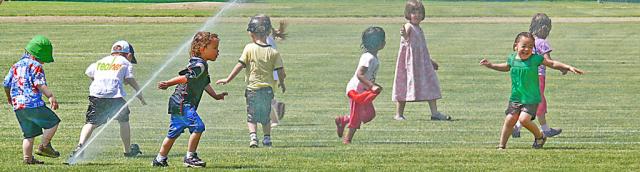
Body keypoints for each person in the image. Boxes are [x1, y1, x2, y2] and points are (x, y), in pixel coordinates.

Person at [479, 32, 584, 149]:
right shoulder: (512, 58)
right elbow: (506, 67)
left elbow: (552, 63)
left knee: (523, 120)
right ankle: (501, 146)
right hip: (516, 98)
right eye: (524, 46)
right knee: (509, 119)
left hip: (531, 98)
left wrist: (568, 67)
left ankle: (540, 136)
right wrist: (491, 65)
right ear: (516, 46)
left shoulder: (535, 59)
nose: (527, 49)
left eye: (530, 46)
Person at [152, 32, 227, 167]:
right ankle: (190, 157)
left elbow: (204, 83)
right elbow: (186, 78)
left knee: (173, 133)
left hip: (177, 103)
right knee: (198, 127)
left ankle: (159, 159)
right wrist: (168, 83)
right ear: (203, 49)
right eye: (215, 48)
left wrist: (216, 96)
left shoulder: (200, 64)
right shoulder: (200, 65)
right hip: (183, 103)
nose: (218, 51)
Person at [67, 40, 146, 162]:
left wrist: (100, 80)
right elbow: (130, 79)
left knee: (91, 122)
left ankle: (80, 147)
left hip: (96, 94)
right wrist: (139, 93)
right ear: (129, 55)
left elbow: (89, 72)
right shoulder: (125, 62)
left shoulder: (101, 61)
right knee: (123, 120)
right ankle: (127, 151)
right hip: (114, 96)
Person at [216, 14, 286, 148]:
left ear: (252, 33)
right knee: (266, 115)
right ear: (267, 32)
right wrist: (282, 83)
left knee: (251, 115)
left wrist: (228, 79)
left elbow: (240, 65)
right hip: (268, 89)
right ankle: (267, 139)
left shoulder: (249, 48)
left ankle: (253, 137)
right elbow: (281, 72)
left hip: (252, 89)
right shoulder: (274, 52)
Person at [3, 35, 61, 164]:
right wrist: (50, 96)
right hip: (33, 103)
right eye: (43, 59)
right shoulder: (36, 66)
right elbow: (39, 83)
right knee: (53, 122)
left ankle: (27, 159)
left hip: (19, 106)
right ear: (36, 56)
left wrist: (9, 98)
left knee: (29, 135)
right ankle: (44, 146)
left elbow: (6, 84)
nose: (43, 63)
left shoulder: (15, 66)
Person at [392, 0, 450, 121]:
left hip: (422, 64)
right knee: (404, 86)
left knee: (431, 83)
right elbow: (406, 37)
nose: (417, 15)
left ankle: (435, 113)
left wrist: (430, 61)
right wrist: (403, 34)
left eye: (419, 12)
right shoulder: (409, 27)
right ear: (408, 14)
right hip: (410, 65)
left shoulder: (419, 28)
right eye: (413, 12)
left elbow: (422, 49)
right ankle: (398, 114)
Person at [513, 13, 565, 138]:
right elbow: (549, 61)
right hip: (538, 77)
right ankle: (541, 129)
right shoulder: (542, 43)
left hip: (525, 76)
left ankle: (520, 127)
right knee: (539, 102)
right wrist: (562, 68)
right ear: (543, 28)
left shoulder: (528, 40)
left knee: (530, 102)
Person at [334, 26, 385, 144]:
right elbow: (360, 75)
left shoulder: (373, 57)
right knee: (357, 116)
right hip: (356, 91)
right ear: (378, 43)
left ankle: (344, 120)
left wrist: (373, 84)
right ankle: (347, 140)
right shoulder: (368, 58)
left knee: (369, 115)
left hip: (363, 90)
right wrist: (371, 86)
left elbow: (366, 76)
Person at [266, 18, 288, 127]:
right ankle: (277, 105)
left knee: (264, 96)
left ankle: (274, 121)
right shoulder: (268, 39)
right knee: (267, 95)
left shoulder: (266, 41)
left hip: (269, 72)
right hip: (271, 72)